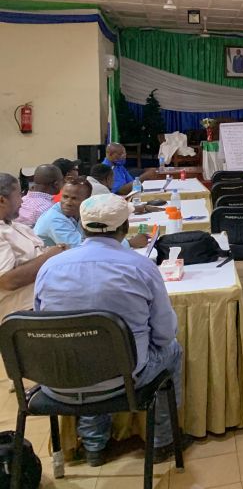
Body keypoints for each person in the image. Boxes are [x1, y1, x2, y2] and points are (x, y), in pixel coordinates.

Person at [34, 194, 188, 467]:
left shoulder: (49, 268)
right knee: (171, 349)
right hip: (124, 379)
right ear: (125, 228)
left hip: (56, 379)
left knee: (82, 349)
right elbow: (164, 333)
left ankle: (94, 445)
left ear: (82, 227)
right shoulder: (140, 267)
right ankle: (162, 441)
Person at [0, 173, 64, 318]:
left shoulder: (19, 227)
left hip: (48, 300)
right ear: (2, 200)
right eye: (18, 195)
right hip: (20, 315)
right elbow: (7, 281)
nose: (22, 201)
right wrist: (52, 255)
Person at [34, 177, 149, 249]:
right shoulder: (54, 219)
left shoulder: (79, 212)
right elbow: (79, 248)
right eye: (65, 197)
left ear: (87, 200)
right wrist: (129, 243)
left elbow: (94, 237)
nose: (68, 202)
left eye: (74, 198)